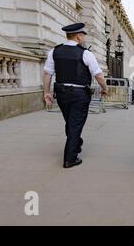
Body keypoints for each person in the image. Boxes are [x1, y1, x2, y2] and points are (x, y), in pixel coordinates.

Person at [43, 23, 107, 168]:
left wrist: (46, 92)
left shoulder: (54, 51)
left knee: (71, 122)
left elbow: (47, 73)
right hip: (79, 95)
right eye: (83, 35)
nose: (84, 38)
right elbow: (98, 75)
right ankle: (70, 158)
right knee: (75, 124)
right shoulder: (85, 53)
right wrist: (105, 88)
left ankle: (76, 143)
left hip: (61, 94)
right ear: (78, 36)